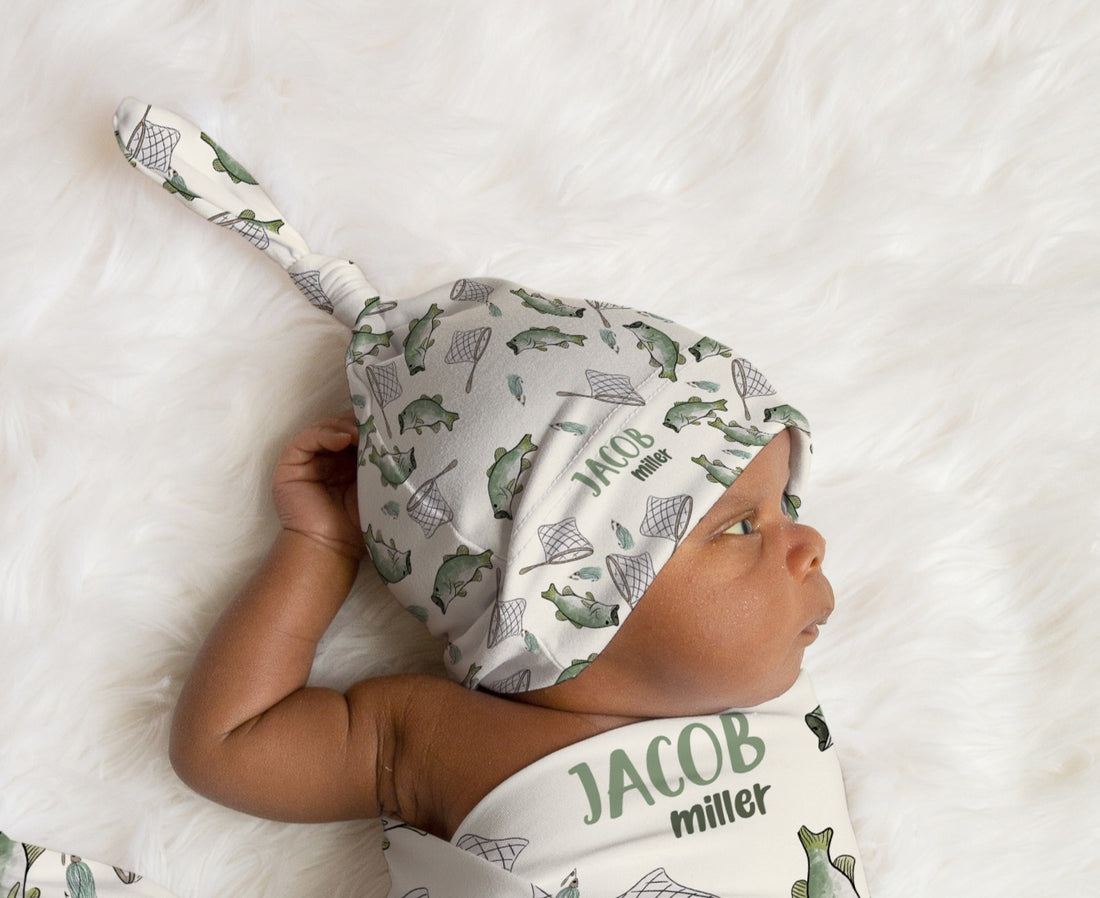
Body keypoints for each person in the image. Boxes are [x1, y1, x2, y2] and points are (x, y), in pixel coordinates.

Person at [114, 99, 869, 897]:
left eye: (784, 506)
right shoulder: (440, 740)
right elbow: (227, 744)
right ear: (568, 597)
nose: (810, 541)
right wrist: (321, 547)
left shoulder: (768, 692)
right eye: (743, 525)